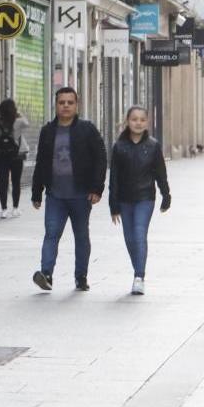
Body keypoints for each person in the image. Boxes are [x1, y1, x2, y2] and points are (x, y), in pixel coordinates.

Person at [30, 87, 107, 292]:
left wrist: (96, 189)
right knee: (51, 234)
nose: (65, 106)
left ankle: (81, 276)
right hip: (55, 195)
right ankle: (46, 274)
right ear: (56, 105)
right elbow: (41, 162)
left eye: (69, 102)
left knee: (81, 236)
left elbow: (101, 159)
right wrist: (37, 192)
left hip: (81, 195)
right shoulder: (48, 131)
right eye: (61, 102)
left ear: (76, 105)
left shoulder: (87, 130)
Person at [109, 106, 170, 295]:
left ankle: (139, 276)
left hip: (145, 198)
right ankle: (138, 270)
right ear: (127, 121)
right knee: (129, 238)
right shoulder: (119, 147)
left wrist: (166, 195)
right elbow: (114, 178)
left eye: (142, 120)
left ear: (147, 123)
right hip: (125, 200)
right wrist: (113, 204)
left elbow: (161, 173)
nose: (138, 123)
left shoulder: (153, 146)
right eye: (134, 119)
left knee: (139, 233)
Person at [0, 98, 30, 219]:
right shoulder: (18, 121)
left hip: (1, 157)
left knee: (3, 183)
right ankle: (15, 208)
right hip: (16, 156)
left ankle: (4, 210)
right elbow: (27, 123)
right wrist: (19, 113)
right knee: (16, 182)